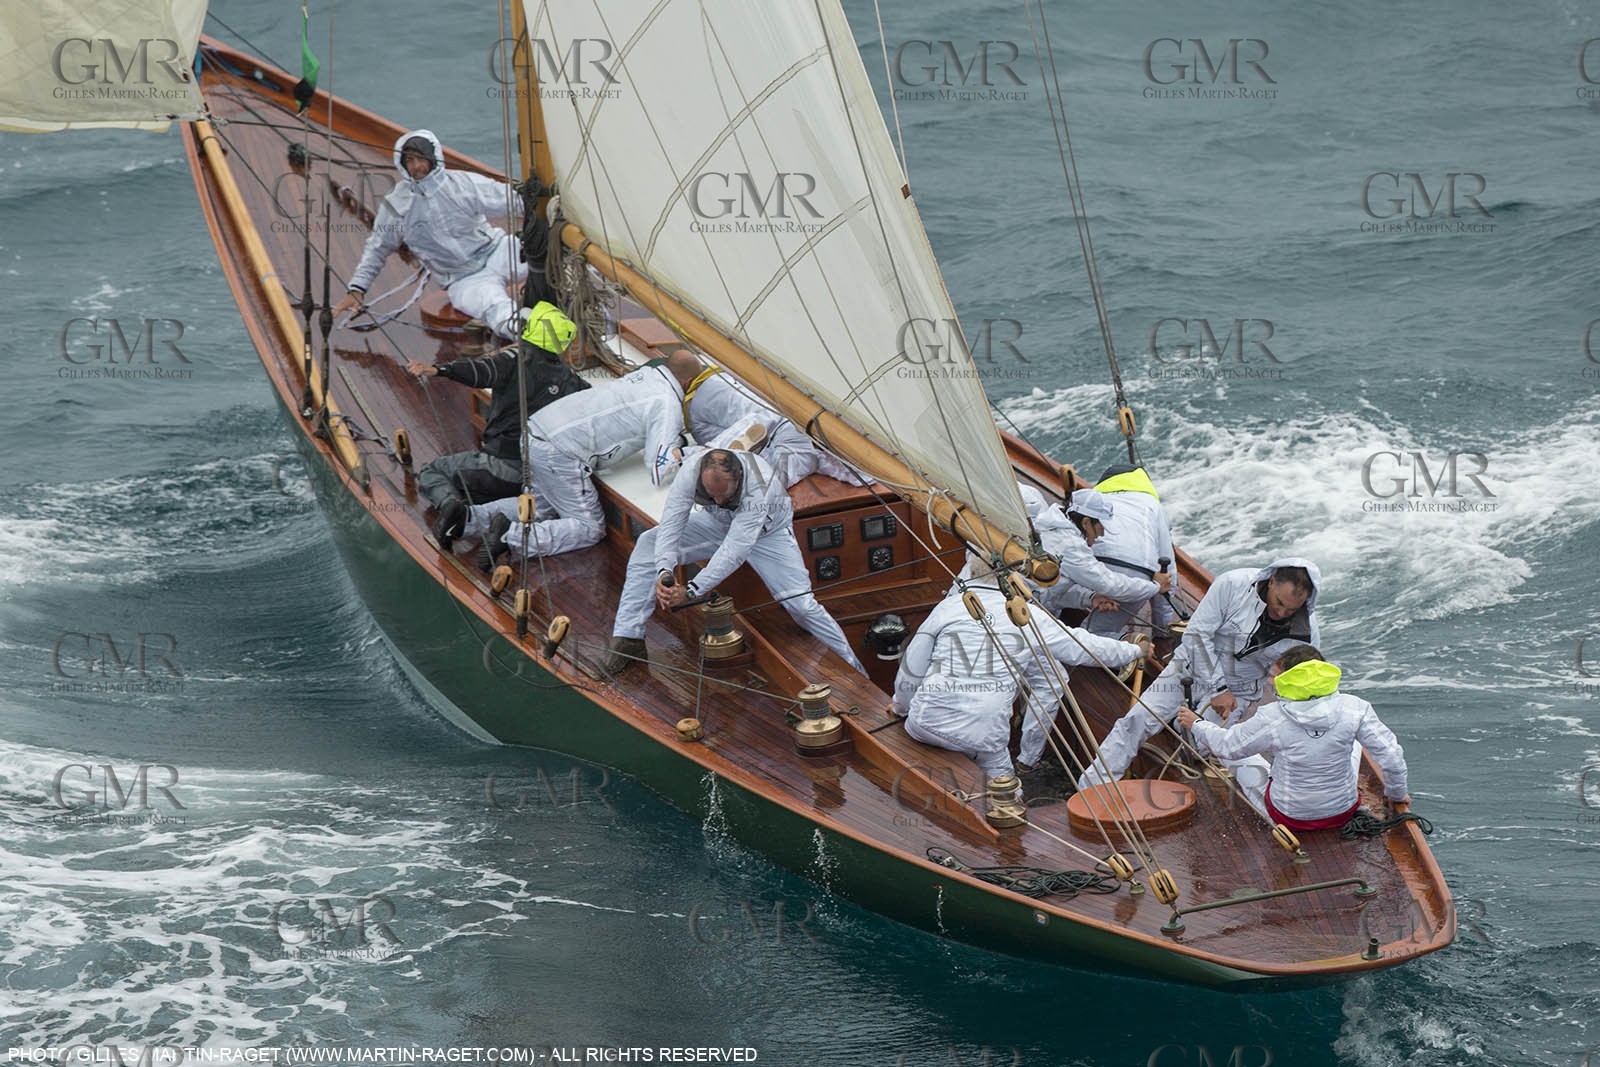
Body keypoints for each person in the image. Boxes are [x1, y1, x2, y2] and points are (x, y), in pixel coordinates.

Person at [893, 553, 1147, 790]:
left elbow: (912, 668)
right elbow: (1084, 648)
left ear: (971, 572)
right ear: (1015, 577)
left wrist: (901, 707)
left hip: (924, 725)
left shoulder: (947, 607)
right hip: (981, 736)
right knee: (1009, 792)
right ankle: (1023, 774)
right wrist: (1134, 651)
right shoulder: (1028, 616)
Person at [600, 449, 865, 675]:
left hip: (767, 536)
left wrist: (691, 591)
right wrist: (664, 572)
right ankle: (628, 638)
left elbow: (735, 549)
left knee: (802, 605)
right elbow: (672, 523)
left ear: (739, 478)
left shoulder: (759, 483)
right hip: (716, 526)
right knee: (649, 542)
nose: (717, 501)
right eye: (711, 496)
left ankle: (854, 669)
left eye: (723, 496)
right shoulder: (690, 472)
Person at [1076, 558, 1320, 795]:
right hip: (1190, 667)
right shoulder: (1232, 584)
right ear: (1272, 580)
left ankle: (1181, 722)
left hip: (1241, 688)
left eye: (1291, 609)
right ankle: (1092, 789)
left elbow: (1301, 677)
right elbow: (1196, 635)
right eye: (1279, 602)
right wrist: (1218, 689)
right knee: (1136, 720)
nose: (1281, 613)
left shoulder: (1306, 630)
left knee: (1203, 747)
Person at [409, 302, 590, 549]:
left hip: (501, 467)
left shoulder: (514, 359)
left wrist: (438, 370)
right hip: (537, 475)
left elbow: (482, 371)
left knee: (433, 471)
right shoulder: (569, 379)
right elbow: (591, 402)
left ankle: (453, 508)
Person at [473, 363, 686, 566]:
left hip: (534, 432)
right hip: (557, 451)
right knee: (589, 528)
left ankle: (467, 518)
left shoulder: (645, 375)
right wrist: (686, 450)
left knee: (542, 507)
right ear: (687, 383)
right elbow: (659, 467)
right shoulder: (667, 403)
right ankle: (510, 537)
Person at [1178, 645, 1409, 830]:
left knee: (1235, 754)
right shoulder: (1355, 708)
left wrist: (1197, 724)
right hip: (1342, 813)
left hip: (1290, 818)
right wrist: (1397, 794)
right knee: (1356, 740)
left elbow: (1228, 746)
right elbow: (1390, 755)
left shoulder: (1271, 716)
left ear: (1289, 678)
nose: (1270, 681)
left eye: (1274, 676)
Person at [334, 129, 534, 342]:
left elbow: (510, 201)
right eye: (409, 160)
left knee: (547, 253)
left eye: (421, 158)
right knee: (496, 308)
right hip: (464, 280)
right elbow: (377, 248)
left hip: (498, 251)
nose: (416, 166)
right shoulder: (397, 203)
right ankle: (538, 337)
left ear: (433, 157)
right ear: (402, 165)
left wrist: (531, 195)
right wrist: (358, 288)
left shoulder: (462, 183)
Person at [663, 351, 860, 487]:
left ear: (685, 382)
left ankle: (693, 455)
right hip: (792, 426)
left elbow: (761, 415)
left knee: (769, 475)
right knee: (781, 468)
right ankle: (701, 455)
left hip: (782, 429)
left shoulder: (702, 399)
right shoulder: (726, 374)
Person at [1033, 488, 1170, 623]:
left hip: (1035, 602)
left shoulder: (1049, 528)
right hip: (1029, 612)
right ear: (1086, 522)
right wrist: (1155, 586)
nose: (1102, 534)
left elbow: (1053, 590)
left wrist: (1090, 598)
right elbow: (1110, 584)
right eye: (1101, 526)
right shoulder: (1070, 545)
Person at [1086, 464, 1178, 637]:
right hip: (1134, 576)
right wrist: (1163, 630)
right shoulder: (1153, 505)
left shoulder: (1091, 502)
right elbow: (1167, 572)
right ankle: (1133, 643)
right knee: (1093, 636)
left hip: (1089, 569)